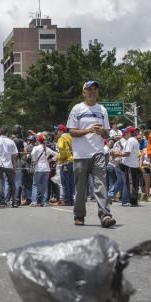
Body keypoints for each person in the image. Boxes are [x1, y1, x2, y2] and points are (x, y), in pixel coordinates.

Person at [67, 81, 115, 228]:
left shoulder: (102, 110)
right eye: (89, 89)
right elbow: (72, 132)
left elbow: (107, 133)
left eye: (95, 89)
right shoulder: (77, 109)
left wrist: (103, 132)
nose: (93, 92)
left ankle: (105, 215)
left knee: (100, 184)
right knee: (81, 187)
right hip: (81, 154)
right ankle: (79, 215)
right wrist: (88, 130)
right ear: (84, 93)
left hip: (98, 152)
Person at [0, 128, 18, 207]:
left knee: (0, 183)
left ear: (0, 132)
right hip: (9, 164)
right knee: (12, 183)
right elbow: (14, 156)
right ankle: (15, 201)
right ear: (7, 133)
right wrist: (15, 168)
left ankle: (2, 201)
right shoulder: (11, 142)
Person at [29, 133, 52, 206]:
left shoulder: (36, 148)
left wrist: (34, 160)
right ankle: (44, 202)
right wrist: (50, 160)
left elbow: (32, 154)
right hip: (46, 168)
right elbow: (56, 154)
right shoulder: (47, 148)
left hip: (38, 168)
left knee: (35, 184)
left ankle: (34, 201)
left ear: (38, 140)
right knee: (45, 185)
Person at [56, 124, 74, 206]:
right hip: (73, 161)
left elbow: (60, 148)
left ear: (61, 131)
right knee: (71, 182)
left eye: (58, 131)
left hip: (65, 162)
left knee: (65, 182)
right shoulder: (71, 137)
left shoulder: (61, 138)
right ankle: (71, 199)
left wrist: (61, 158)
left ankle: (66, 200)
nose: (57, 132)